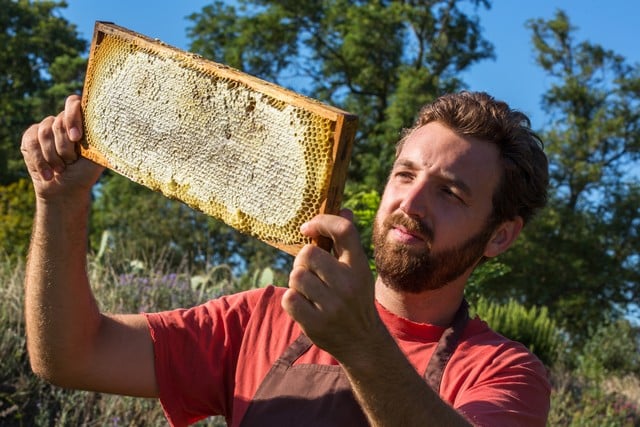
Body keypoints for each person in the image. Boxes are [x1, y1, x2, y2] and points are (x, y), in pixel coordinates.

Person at [21, 91, 551, 426]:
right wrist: (60, 202)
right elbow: (71, 356)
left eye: (451, 193)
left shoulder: (504, 372)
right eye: (405, 175)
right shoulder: (262, 318)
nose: (410, 204)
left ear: (499, 236)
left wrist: (362, 346)